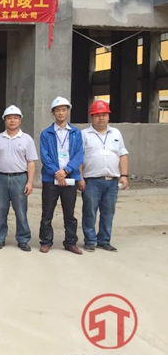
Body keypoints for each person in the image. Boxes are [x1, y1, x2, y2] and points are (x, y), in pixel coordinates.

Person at [78, 100, 129, 252]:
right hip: (91, 181)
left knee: (108, 212)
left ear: (108, 116)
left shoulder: (116, 133)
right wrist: (80, 178)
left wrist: (124, 175)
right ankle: (90, 240)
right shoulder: (84, 134)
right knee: (90, 212)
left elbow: (123, 155)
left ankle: (104, 240)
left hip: (111, 181)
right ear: (91, 117)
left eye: (104, 115)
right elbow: (79, 158)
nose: (101, 118)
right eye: (97, 115)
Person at [0, 105, 38, 251]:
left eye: (15, 118)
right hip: (0, 179)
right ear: (5, 120)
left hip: (19, 178)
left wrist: (30, 182)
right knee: (1, 210)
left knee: (21, 211)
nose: (12, 121)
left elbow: (31, 162)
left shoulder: (27, 139)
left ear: (20, 120)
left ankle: (23, 239)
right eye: (9, 118)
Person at [39, 96, 84, 255]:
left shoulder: (76, 133)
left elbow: (79, 154)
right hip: (50, 179)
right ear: (53, 113)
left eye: (64, 110)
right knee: (47, 212)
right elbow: (45, 156)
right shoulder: (46, 134)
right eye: (57, 110)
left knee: (69, 213)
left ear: (68, 112)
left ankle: (70, 242)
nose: (61, 113)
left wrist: (66, 171)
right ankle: (46, 241)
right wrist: (57, 173)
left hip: (70, 177)